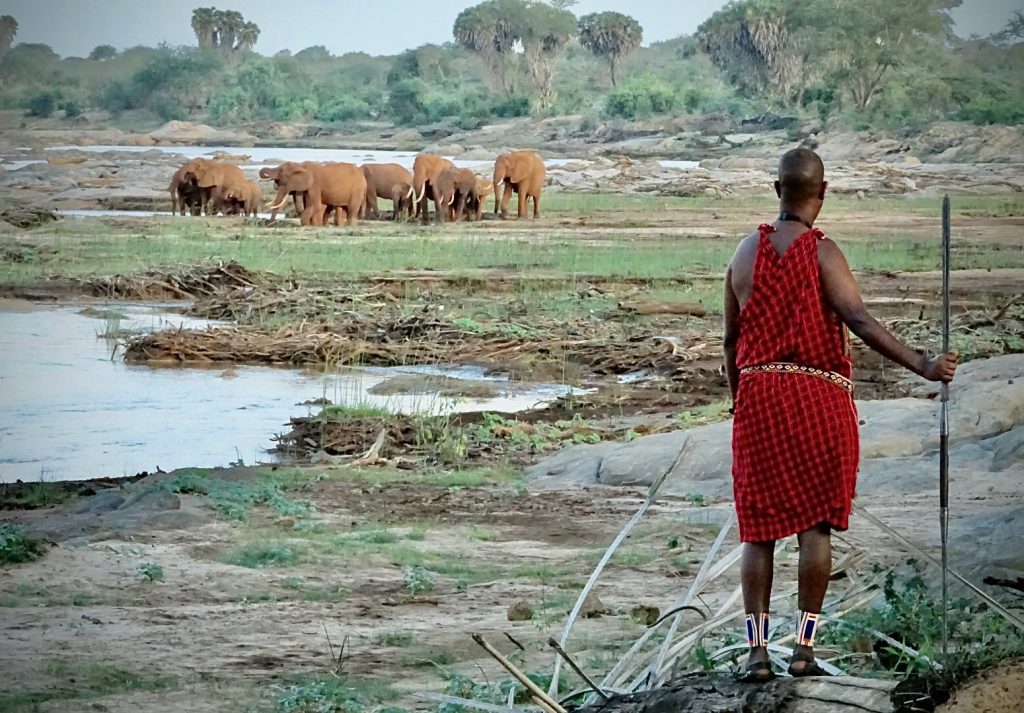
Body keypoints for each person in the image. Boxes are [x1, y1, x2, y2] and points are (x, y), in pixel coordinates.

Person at [723, 148, 958, 681]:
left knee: (757, 530)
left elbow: (731, 340)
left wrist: (742, 401)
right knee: (814, 527)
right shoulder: (824, 253)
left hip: (758, 398)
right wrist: (924, 365)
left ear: (775, 188)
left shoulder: (743, 254)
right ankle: (803, 651)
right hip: (817, 398)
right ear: (821, 194)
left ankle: (758, 654)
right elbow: (858, 318)